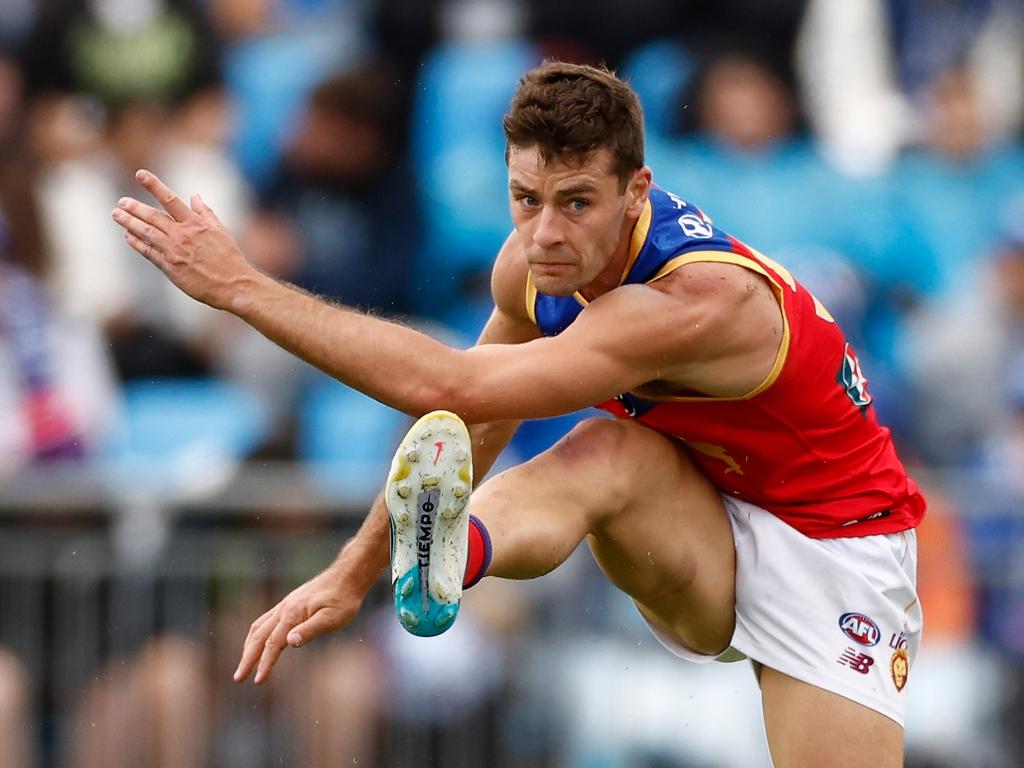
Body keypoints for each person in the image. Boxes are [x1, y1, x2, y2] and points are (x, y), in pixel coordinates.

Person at [110, 61, 925, 766]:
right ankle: (445, 560)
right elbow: (466, 425)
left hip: (836, 549)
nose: (545, 234)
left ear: (635, 190)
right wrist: (354, 574)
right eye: (525, 197)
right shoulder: (537, 261)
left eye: (576, 203)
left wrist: (244, 289)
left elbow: (454, 386)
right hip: (703, 523)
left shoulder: (695, 301)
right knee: (604, 449)